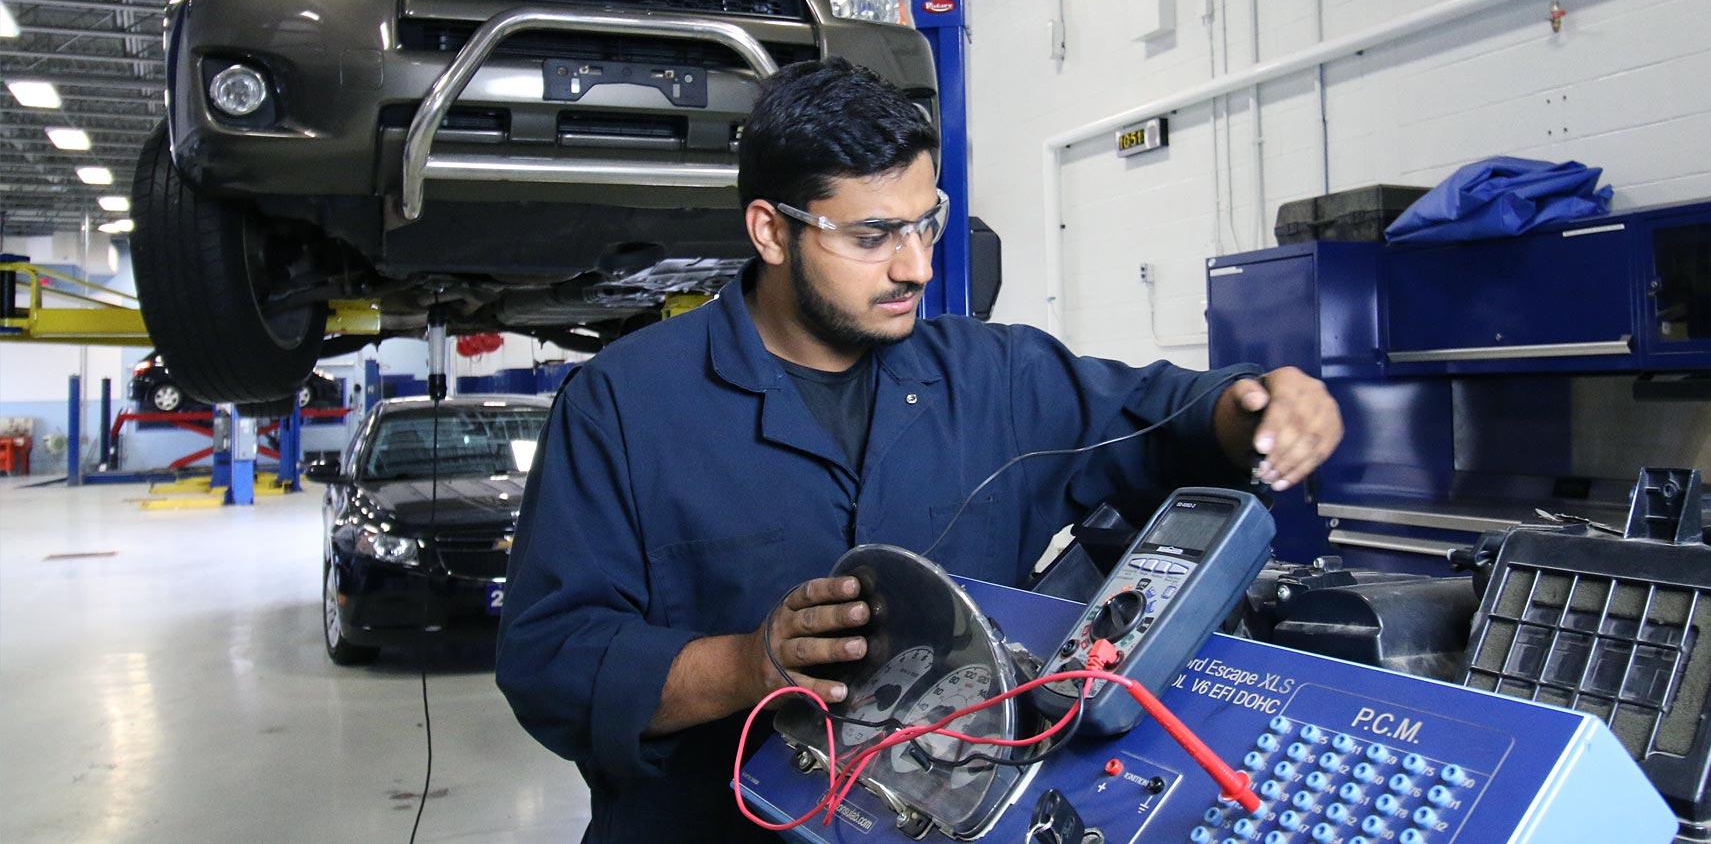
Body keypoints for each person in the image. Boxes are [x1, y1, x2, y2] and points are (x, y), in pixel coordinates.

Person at [495, 58, 1342, 843]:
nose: (916, 267)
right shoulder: (624, 403)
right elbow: (551, 659)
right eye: (872, 236)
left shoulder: (995, 374)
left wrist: (1252, 405)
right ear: (770, 230)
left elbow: (1163, 419)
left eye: (925, 224)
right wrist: (747, 664)